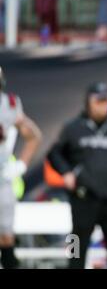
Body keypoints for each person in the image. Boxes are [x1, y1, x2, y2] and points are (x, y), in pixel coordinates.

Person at [47, 82, 107, 269]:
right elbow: (54, 153)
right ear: (88, 102)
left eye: (105, 101)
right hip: (83, 198)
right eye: (97, 101)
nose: (101, 105)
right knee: (76, 247)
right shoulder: (73, 128)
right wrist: (65, 173)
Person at [0, 67, 42, 269]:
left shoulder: (8, 105)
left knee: (6, 237)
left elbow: (33, 136)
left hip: (2, 179)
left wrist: (21, 166)